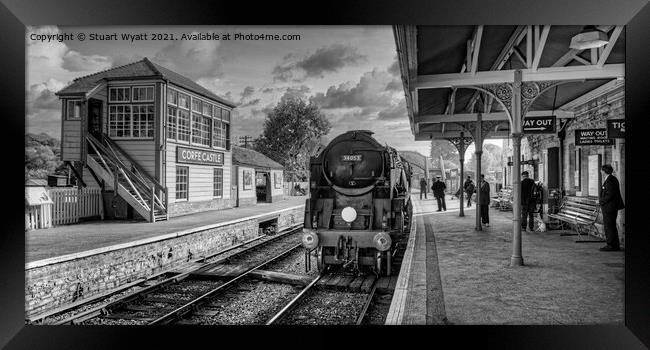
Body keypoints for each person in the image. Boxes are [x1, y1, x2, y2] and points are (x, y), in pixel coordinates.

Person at [598, 164, 625, 251]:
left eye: (601, 170)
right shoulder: (610, 179)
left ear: (604, 171)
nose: (600, 171)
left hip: (610, 207)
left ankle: (611, 245)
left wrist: (601, 201)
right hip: (610, 207)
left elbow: (610, 194)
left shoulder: (610, 180)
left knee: (609, 226)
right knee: (611, 226)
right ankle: (614, 245)